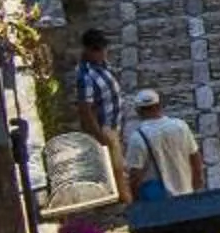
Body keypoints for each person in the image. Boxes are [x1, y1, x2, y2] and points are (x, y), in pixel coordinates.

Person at [120, 88, 202, 203]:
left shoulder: (138, 137)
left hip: (158, 202)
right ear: (159, 106)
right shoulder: (181, 126)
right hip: (186, 194)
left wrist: (135, 201)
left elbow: (135, 175)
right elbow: (195, 157)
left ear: (138, 111)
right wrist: (197, 183)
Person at [74, 29, 124, 193]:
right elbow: (85, 110)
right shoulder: (86, 76)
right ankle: (125, 202)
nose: (101, 53)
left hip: (114, 126)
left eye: (103, 49)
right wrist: (100, 137)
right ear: (87, 50)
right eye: (96, 50)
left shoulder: (101, 64)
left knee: (118, 166)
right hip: (105, 129)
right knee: (116, 170)